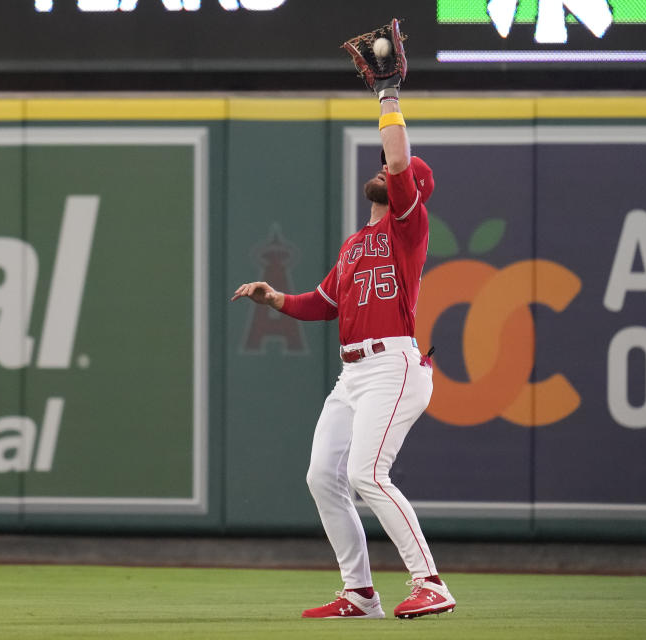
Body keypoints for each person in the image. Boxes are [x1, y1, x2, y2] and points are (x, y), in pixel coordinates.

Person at [230, 52, 456, 618]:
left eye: (393, 170)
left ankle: (430, 582)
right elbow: (323, 303)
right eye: (382, 166)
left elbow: (401, 162)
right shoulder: (355, 244)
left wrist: (387, 95)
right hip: (353, 373)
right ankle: (360, 592)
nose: (383, 169)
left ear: (411, 190)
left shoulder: (408, 227)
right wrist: (276, 298)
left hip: (394, 367)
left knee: (365, 473)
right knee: (322, 475)